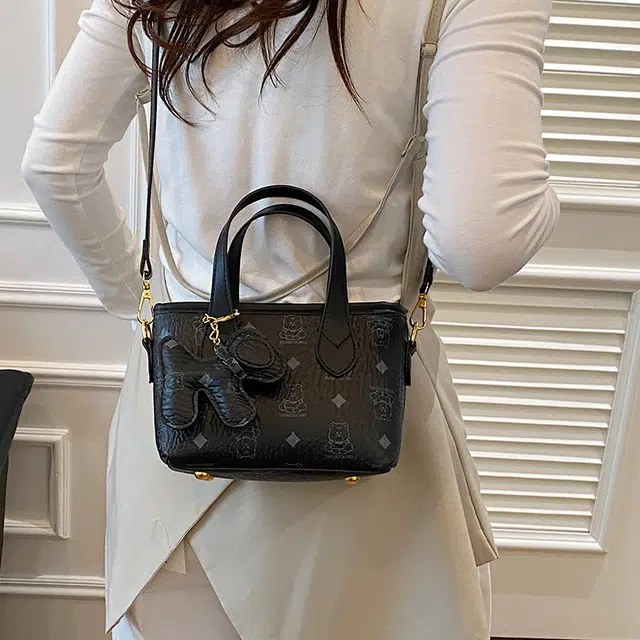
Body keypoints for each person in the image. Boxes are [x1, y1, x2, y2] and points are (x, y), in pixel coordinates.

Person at [21, 0, 559, 638]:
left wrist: (138, 307)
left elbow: (57, 166)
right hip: (365, 409)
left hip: (189, 407)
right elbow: (481, 242)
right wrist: (548, 198)